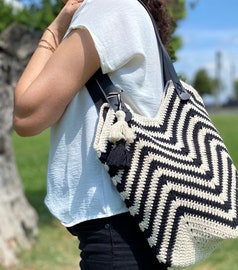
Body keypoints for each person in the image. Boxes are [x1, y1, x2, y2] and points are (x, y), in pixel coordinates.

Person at [13, 0, 173, 269]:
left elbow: (26, 116)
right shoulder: (129, 10)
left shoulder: (107, 8)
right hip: (136, 219)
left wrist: (56, 26)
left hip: (115, 228)